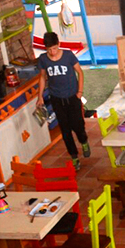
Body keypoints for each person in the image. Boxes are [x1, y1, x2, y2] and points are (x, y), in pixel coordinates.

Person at [36, 31, 90, 169]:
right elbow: (42, 77)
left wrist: (79, 92)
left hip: (72, 97)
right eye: (49, 50)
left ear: (58, 45)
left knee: (78, 126)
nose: (52, 52)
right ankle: (74, 157)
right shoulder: (43, 59)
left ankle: (84, 141)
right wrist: (40, 96)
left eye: (54, 48)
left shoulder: (68, 55)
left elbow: (80, 72)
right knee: (65, 131)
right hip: (57, 99)